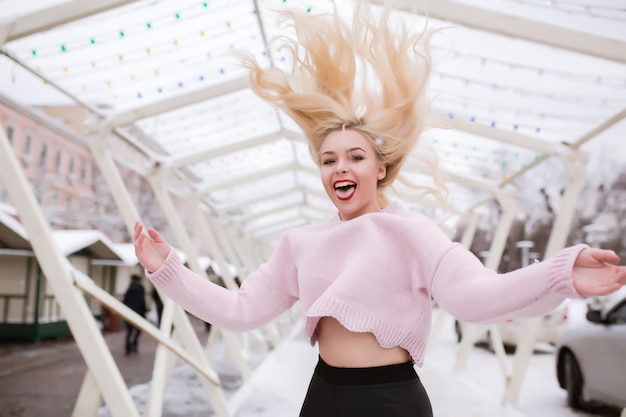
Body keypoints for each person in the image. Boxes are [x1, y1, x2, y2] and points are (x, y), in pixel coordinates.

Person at [133, 2, 626, 416]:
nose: (339, 168)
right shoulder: (299, 244)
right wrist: (168, 269)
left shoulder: (413, 234)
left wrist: (561, 275)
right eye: (328, 160)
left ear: (380, 169)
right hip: (323, 398)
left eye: (354, 157)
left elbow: (478, 297)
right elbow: (239, 311)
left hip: (393, 401)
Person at [122, 274, 147, 355]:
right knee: (138, 330)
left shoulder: (129, 289)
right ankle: (134, 342)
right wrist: (144, 311)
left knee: (129, 330)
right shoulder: (141, 288)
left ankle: (127, 345)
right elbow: (142, 301)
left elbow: (125, 301)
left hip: (129, 312)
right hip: (138, 312)